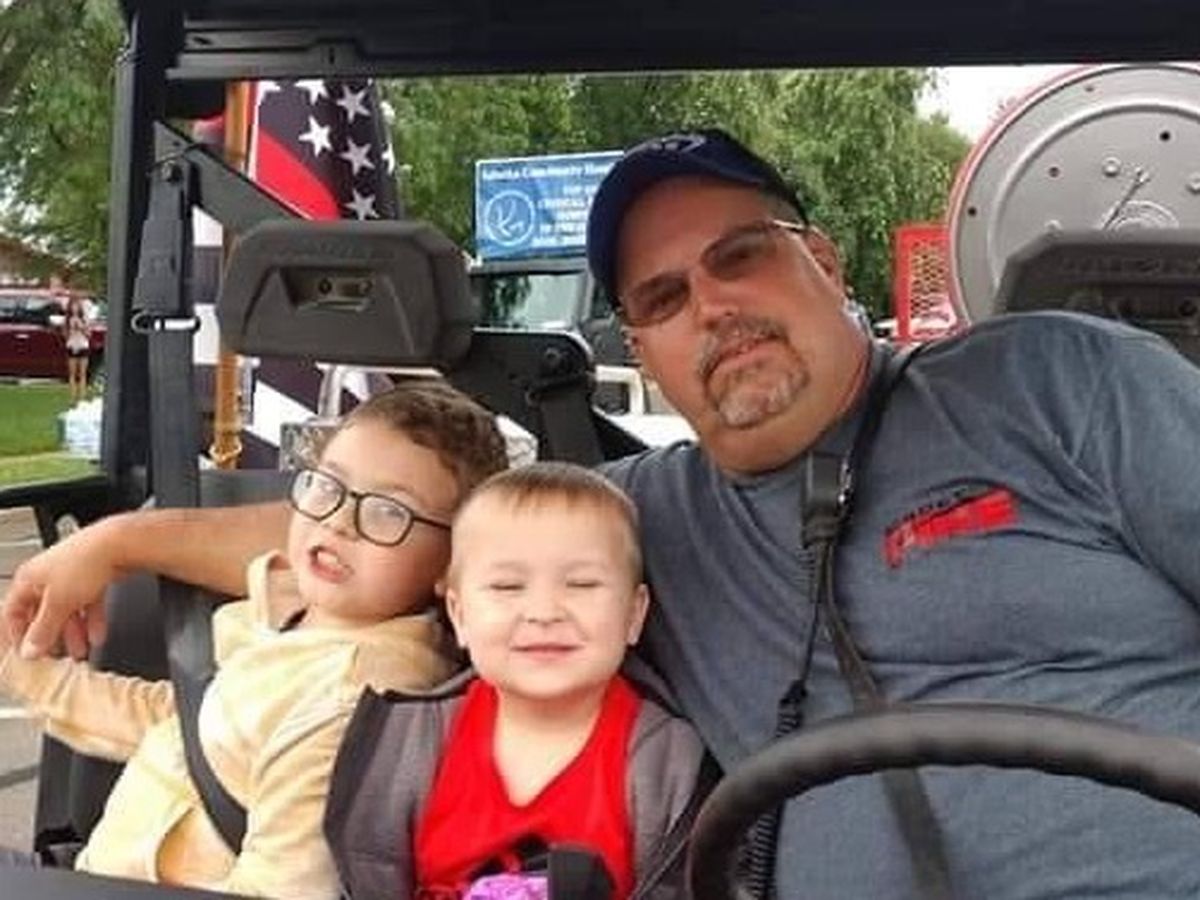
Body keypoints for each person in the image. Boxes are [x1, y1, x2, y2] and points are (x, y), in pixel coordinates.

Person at [8, 127, 1200, 899]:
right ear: (643, 345)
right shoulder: (626, 524)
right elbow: (383, 522)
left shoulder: (1053, 382)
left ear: (825, 263)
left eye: (744, 255)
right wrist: (122, 539)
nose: (712, 307)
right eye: (664, 297)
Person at [0, 380, 508, 898]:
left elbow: (281, 888)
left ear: (453, 563)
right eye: (327, 485)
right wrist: (18, 665)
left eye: (388, 511)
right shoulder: (301, 621)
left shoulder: (349, 701)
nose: (339, 521)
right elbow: (189, 730)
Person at [324, 461, 707, 900]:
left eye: (582, 584)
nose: (544, 612)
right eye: (507, 587)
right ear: (459, 615)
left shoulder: (667, 763)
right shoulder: (410, 745)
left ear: (634, 614)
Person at [60, 290, 91, 404]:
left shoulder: (84, 318)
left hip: (83, 345)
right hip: (72, 346)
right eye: (73, 306)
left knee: (82, 373)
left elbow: (88, 334)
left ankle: (82, 396)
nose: (75, 308)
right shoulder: (67, 320)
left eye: (77, 305)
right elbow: (65, 335)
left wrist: (81, 327)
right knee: (72, 374)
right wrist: (70, 330)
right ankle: (72, 397)